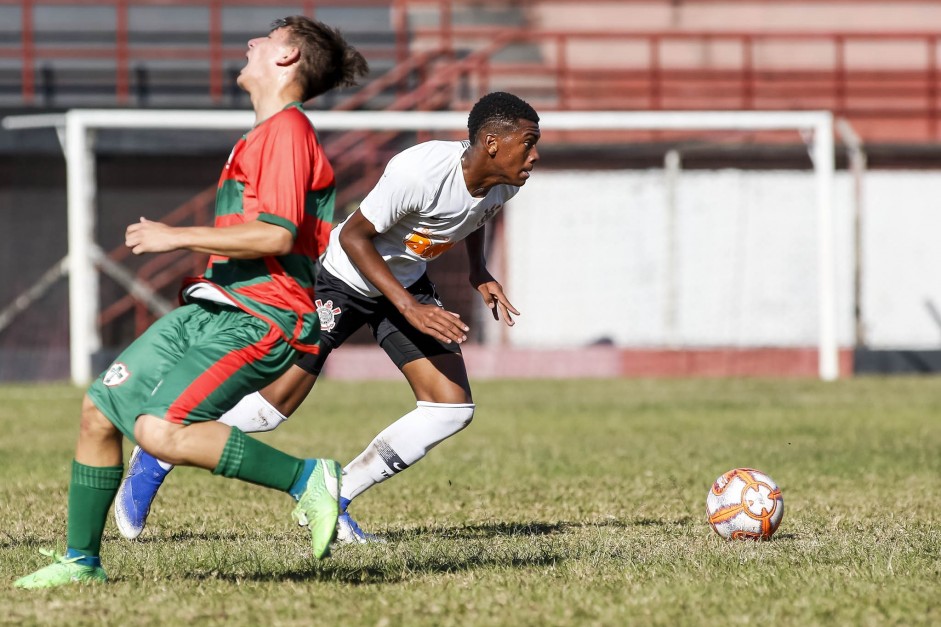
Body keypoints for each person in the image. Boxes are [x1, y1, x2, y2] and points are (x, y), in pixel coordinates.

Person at [13, 16, 369, 590]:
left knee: (159, 428)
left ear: (288, 60)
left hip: (264, 316)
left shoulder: (287, 132)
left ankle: (310, 479)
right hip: (215, 307)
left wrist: (176, 235)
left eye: (268, 38)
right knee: (99, 411)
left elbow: (276, 235)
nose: (251, 42)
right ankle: (80, 562)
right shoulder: (263, 133)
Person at [114, 91, 542, 545]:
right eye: (529, 142)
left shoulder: (508, 180)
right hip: (340, 278)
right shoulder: (420, 171)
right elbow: (356, 237)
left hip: (404, 286)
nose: (535, 154)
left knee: (450, 409)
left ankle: (333, 498)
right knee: (269, 410)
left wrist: (478, 271)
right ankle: (159, 448)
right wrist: (409, 307)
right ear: (492, 142)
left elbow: (474, 216)